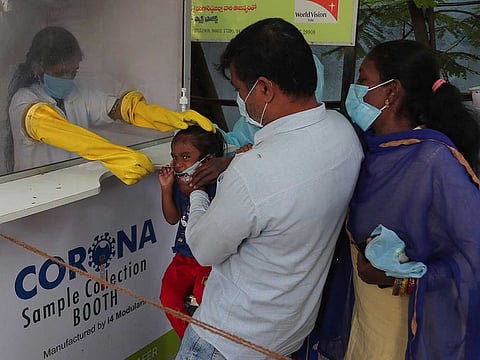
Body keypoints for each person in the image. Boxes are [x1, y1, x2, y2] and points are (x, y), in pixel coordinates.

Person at [175, 18, 363, 359]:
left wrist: (198, 194)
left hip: (227, 341)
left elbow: (203, 248)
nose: (240, 99)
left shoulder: (254, 172)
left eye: (238, 87)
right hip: (286, 336)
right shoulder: (343, 134)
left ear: (264, 88)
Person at [317, 39, 480, 360]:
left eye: (363, 80)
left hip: (408, 332)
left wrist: (400, 279)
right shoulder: (365, 149)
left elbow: (472, 261)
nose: (356, 90)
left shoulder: (434, 159)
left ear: (391, 92)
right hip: (362, 323)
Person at [7, 26, 215, 184]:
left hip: (74, 187)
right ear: (37, 68)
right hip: (38, 193)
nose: (68, 78)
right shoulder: (24, 101)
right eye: (59, 73)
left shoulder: (77, 93)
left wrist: (169, 118)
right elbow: (54, 128)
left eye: (73, 71)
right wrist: (112, 154)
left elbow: (121, 108)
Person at [158, 125, 225, 339]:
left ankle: (211, 345)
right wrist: (167, 188)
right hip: (184, 257)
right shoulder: (180, 186)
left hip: (210, 259)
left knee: (204, 296)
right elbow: (172, 218)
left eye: (186, 156)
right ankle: (192, 344)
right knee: (168, 296)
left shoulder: (222, 185)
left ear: (207, 160)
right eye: (175, 157)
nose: (178, 163)